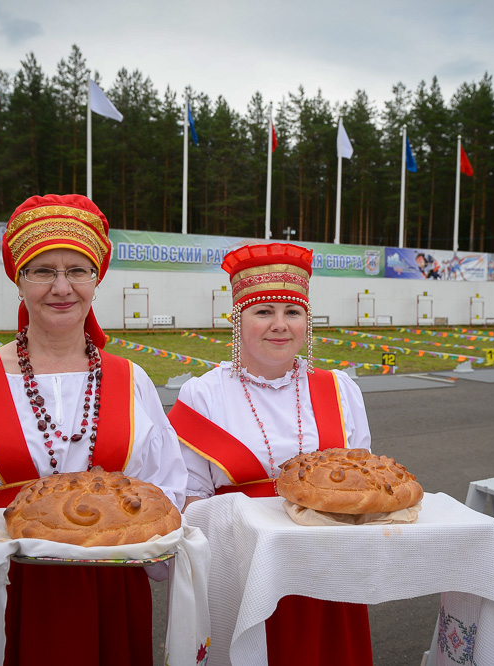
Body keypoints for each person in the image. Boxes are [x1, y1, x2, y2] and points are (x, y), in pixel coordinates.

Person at [0, 194, 187, 666]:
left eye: (77, 270)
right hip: (8, 592)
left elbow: (166, 489)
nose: (61, 287)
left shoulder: (131, 379)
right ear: (19, 280)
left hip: (111, 591)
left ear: (96, 280)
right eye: (42, 271)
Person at [168, 242, 374, 665]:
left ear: (307, 322)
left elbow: (362, 484)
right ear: (237, 320)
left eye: (292, 312)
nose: (280, 325)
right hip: (243, 576)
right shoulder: (203, 395)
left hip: (327, 574)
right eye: (263, 312)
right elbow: (189, 505)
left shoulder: (339, 389)